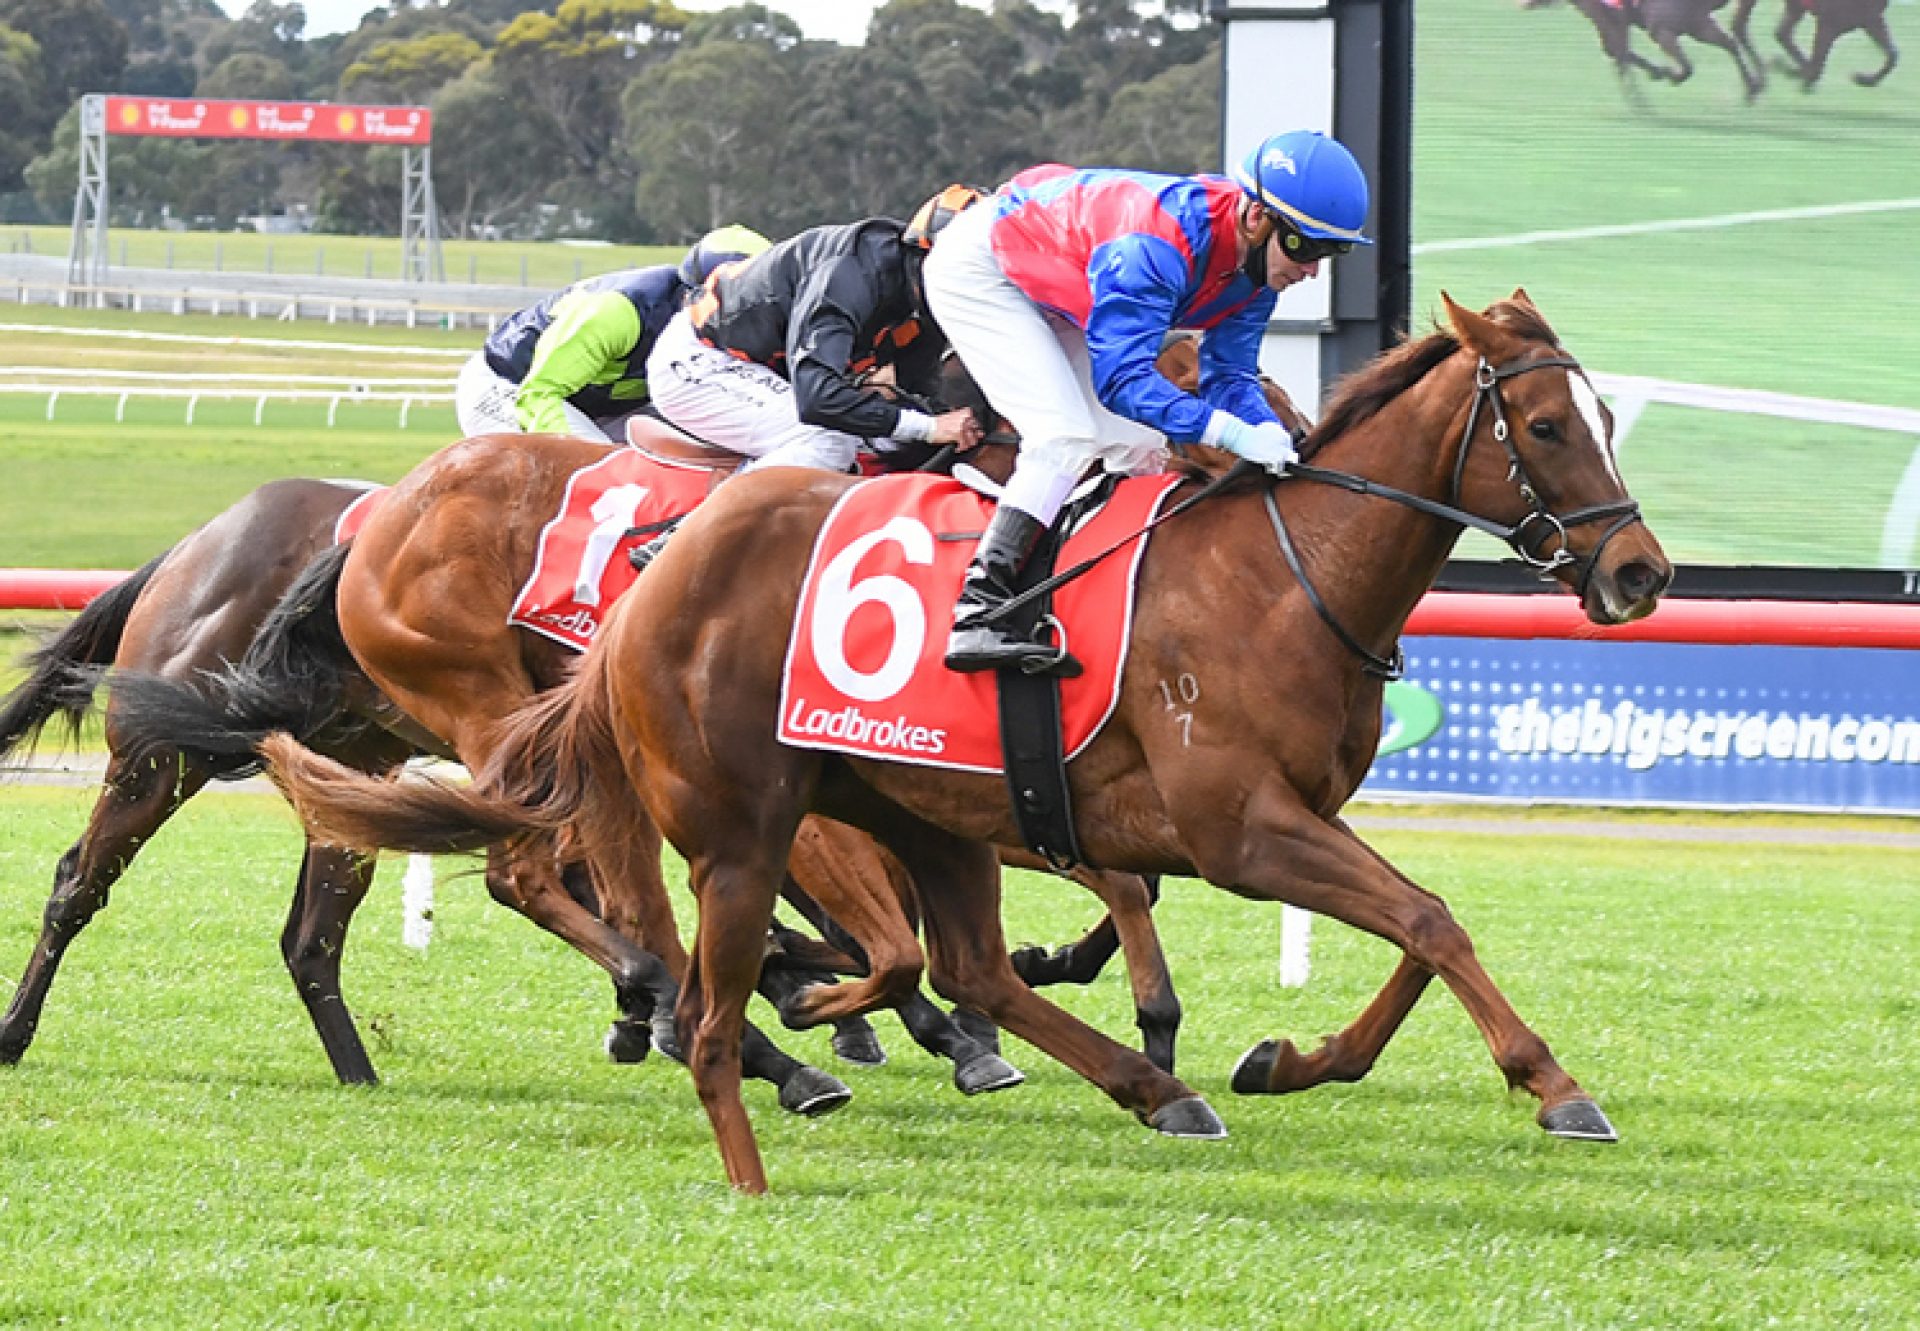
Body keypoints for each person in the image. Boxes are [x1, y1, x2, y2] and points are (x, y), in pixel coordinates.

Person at [924, 130, 1372, 674]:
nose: (1312, 270)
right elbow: (1123, 380)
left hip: (1061, 280)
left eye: (1332, 252)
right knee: (1063, 435)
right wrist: (1230, 435)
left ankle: (1083, 600)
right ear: (1255, 217)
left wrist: (1263, 427)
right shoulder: (1156, 245)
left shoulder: (1257, 272)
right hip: (985, 269)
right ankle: (980, 610)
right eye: (1305, 247)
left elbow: (1228, 374)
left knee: (1138, 448)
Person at [641, 188, 986, 481]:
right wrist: (930, 428)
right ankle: (691, 532)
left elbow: (919, 396)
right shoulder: (850, 275)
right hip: (701, 359)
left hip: (765, 369)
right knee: (828, 443)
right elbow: (818, 399)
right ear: (928, 254)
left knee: (894, 442)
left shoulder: (924, 296)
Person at [453, 223, 772, 444]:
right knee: (599, 479)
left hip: (605, 404)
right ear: (695, 294)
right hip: (509, 386)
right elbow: (538, 395)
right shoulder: (619, 312)